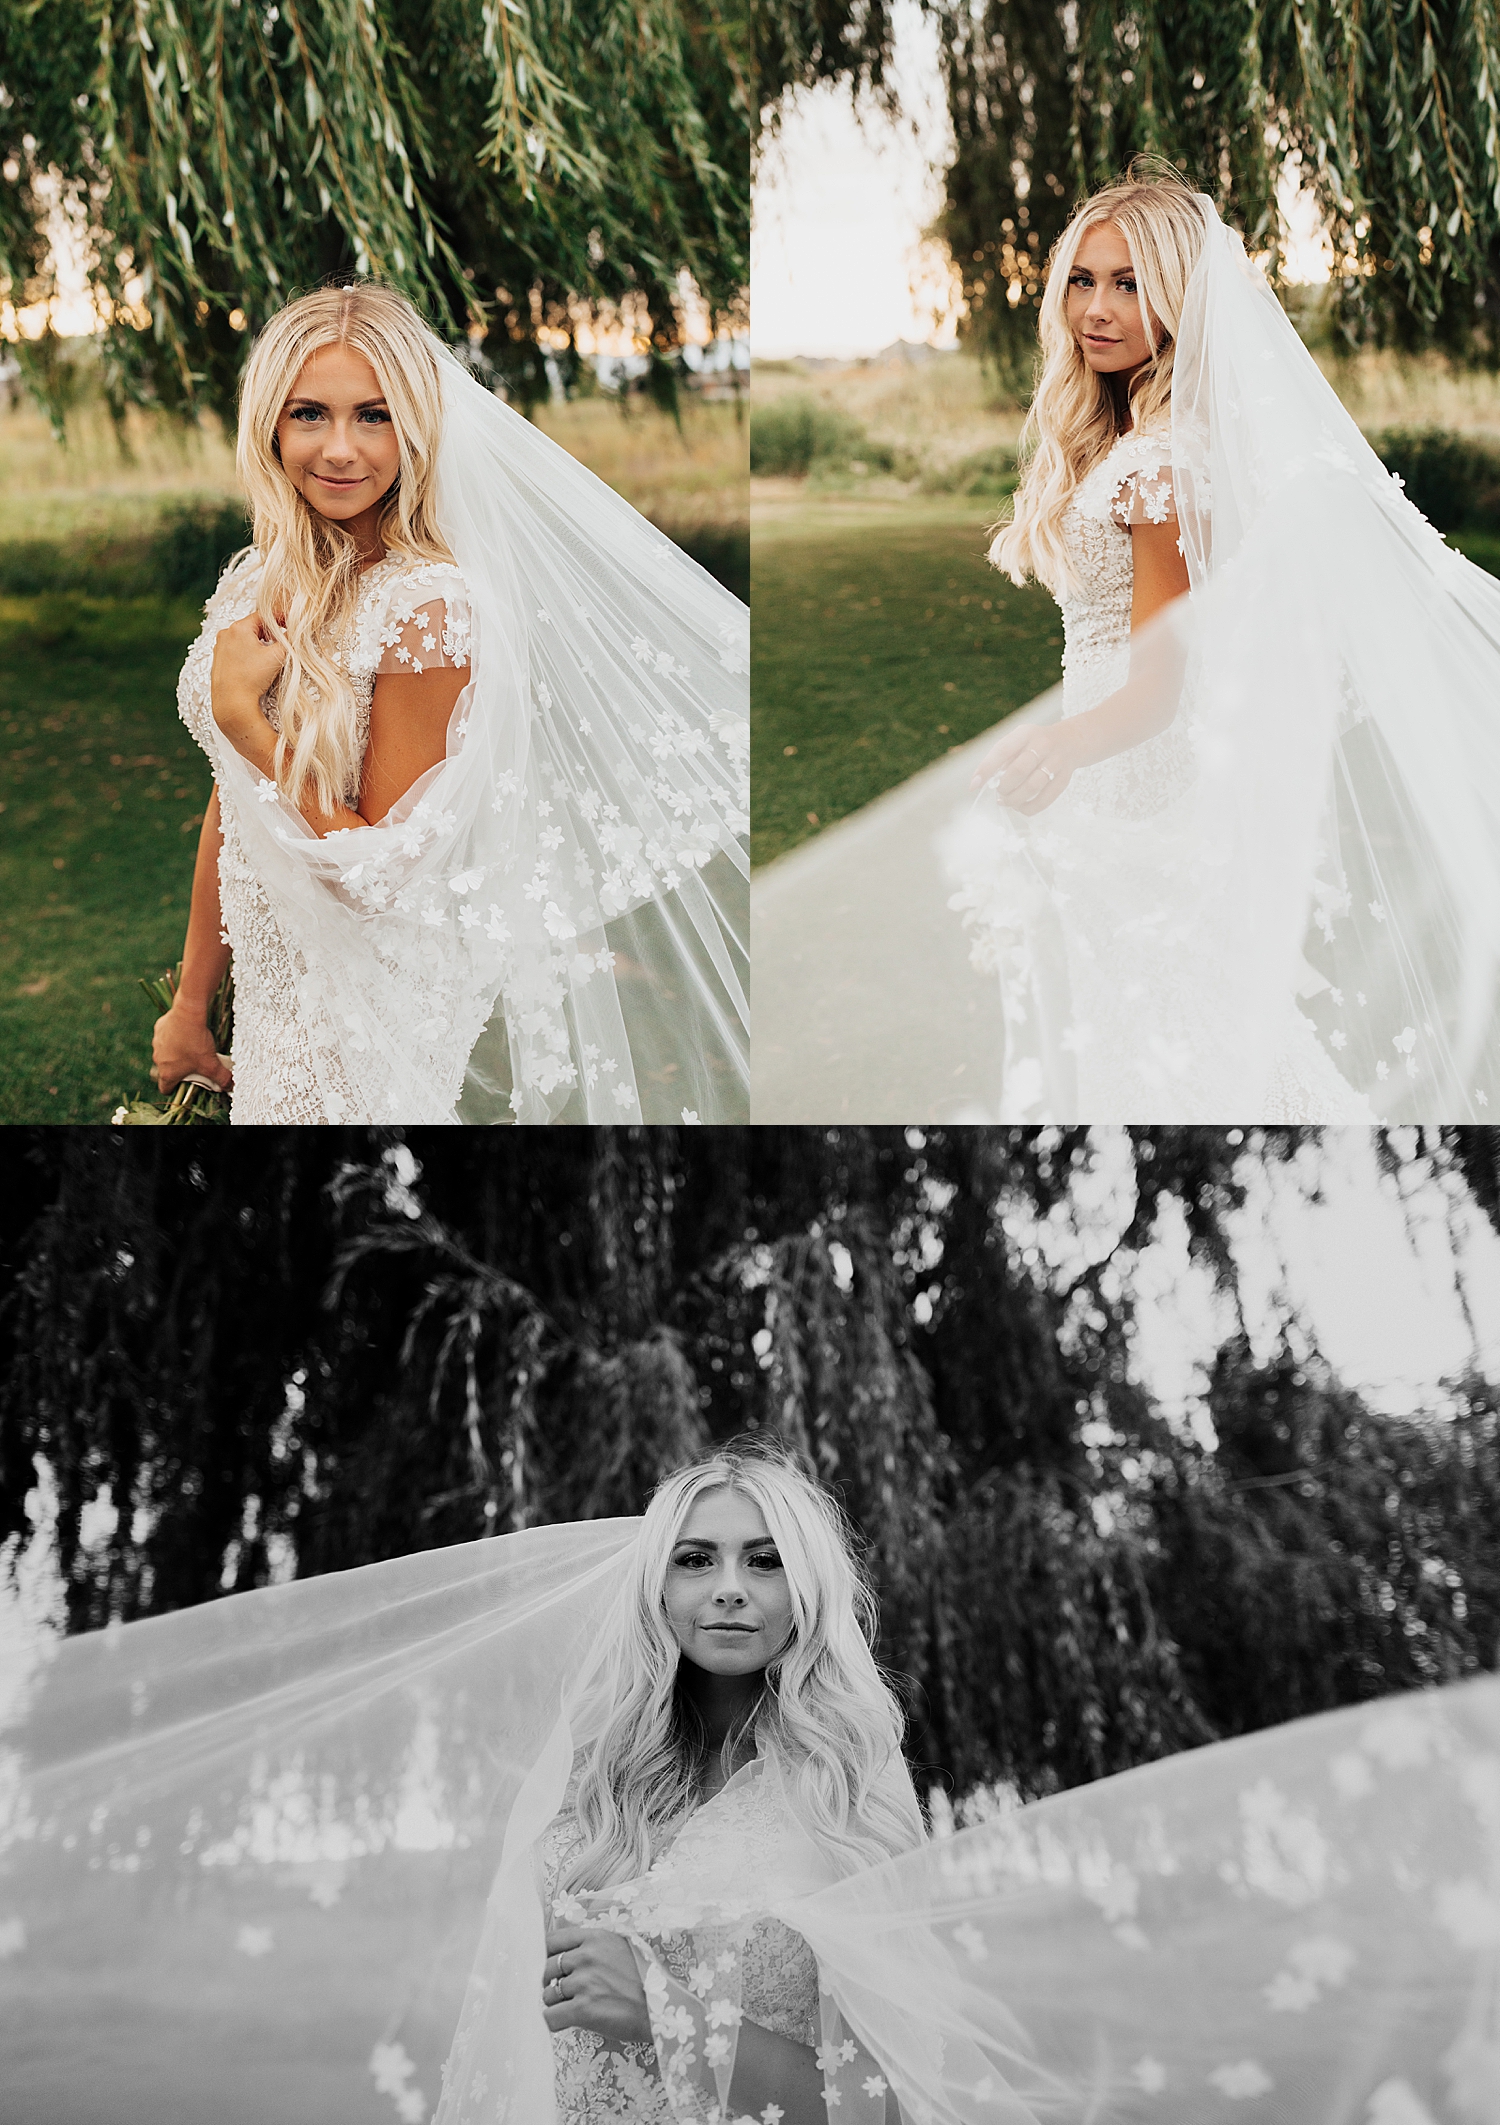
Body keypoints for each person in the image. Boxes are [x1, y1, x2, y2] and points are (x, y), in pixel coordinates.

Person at [3, 1440, 1497, 2124]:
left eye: (767, 1558)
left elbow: (889, 2083)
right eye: (698, 1557)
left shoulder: (851, 1786)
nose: (729, 1588)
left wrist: (667, 1999)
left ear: (811, 1593)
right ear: (653, 1583)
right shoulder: (589, 1792)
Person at [942, 163, 1500, 1122]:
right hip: (1113, 751)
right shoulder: (1133, 441)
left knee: (1176, 1020)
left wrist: (1064, 746)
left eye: (1128, 283)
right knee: (1157, 1016)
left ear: (1178, 299)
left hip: (1137, 762)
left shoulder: (1157, 468)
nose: (1098, 308)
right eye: (1083, 279)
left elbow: (1163, 682)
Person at [152, 283, 749, 1125]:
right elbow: (236, 801)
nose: (340, 450)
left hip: (367, 1002)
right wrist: (191, 1002)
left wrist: (249, 723)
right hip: (275, 981)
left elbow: (381, 878)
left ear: (418, 426)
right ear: (269, 423)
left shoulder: (426, 610)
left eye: (375, 415)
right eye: (309, 414)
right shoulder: (260, 579)